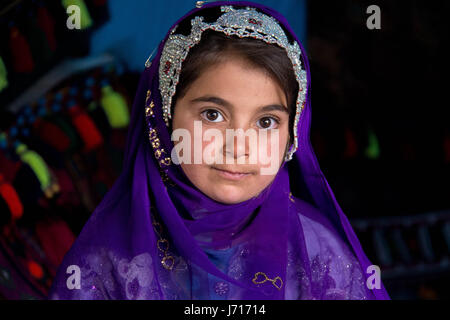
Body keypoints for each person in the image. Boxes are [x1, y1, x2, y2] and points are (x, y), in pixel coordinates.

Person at [48, 1, 390, 300]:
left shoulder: (318, 253)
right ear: (164, 118)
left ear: (292, 135)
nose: (239, 147)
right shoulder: (108, 259)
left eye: (267, 122)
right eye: (212, 115)